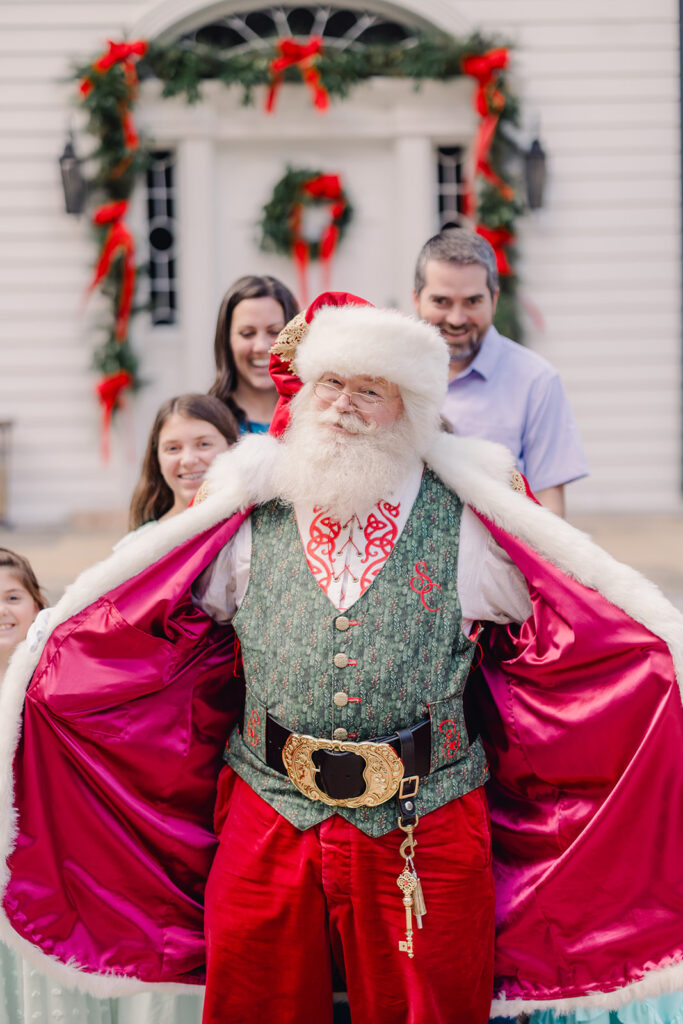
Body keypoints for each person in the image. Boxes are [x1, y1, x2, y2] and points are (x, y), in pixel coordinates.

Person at [1, 295, 682, 1024]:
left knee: (432, 1012)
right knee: (254, 1009)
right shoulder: (241, 516)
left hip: (429, 820)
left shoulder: (471, 525)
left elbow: (563, 624)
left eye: (370, 390)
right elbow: (153, 620)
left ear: (410, 408)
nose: (343, 407)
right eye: (330, 384)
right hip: (267, 810)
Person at [413, 228, 588, 516]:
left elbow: (549, 506)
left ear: (493, 300)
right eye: (441, 301)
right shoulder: (388, 374)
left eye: (472, 301)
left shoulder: (537, 381)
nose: (456, 319)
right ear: (417, 299)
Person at [128, 393, 239, 531]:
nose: (188, 460)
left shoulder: (256, 530)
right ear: (157, 459)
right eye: (173, 448)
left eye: (203, 444)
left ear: (232, 449)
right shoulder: (140, 545)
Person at [208, 274, 299, 433]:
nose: (261, 347)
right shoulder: (205, 423)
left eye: (275, 332)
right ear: (227, 339)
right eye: (247, 333)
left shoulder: (322, 418)